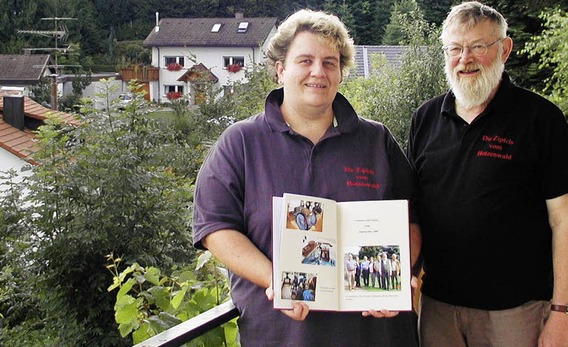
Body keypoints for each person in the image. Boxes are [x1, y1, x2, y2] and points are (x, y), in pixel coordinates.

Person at [193, 9, 420, 346]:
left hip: (374, 335)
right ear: (280, 69)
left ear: (341, 73)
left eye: (330, 62)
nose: (319, 72)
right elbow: (214, 228)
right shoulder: (241, 142)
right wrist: (277, 280)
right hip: (280, 335)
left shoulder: (376, 140)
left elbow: (411, 221)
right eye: (305, 60)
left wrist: (395, 281)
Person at [407, 2, 568, 346]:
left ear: (504, 49)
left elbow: (563, 220)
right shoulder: (425, 119)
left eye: (478, 47)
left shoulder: (541, 119)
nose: (465, 59)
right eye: (455, 49)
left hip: (516, 313)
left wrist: (562, 312)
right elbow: (412, 213)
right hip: (439, 309)